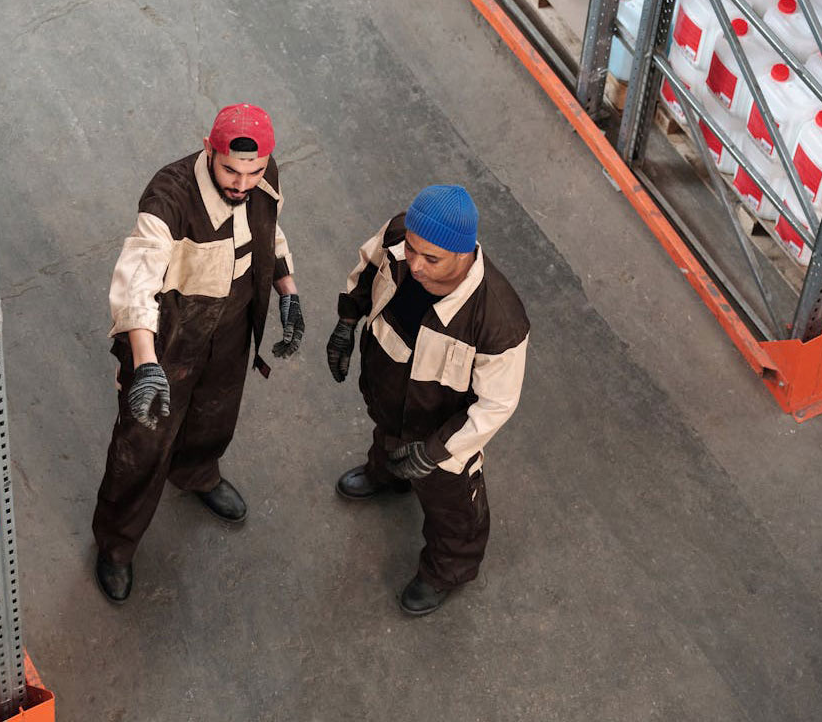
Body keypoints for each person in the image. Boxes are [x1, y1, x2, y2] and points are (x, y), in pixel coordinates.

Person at [92, 103, 304, 603]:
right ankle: (117, 546)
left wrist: (287, 290)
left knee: (215, 411)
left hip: (231, 324)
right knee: (142, 443)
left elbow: (269, 232)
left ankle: (197, 472)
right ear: (210, 150)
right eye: (231, 169)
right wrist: (145, 364)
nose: (242, 182)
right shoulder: (169, 200)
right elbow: (136, 283)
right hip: (170, 337)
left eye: (252, 172)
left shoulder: (262, 177)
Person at [326, 184, 528, 615]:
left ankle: (448, 570)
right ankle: (388, 477)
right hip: (388, 393)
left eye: (430, 258)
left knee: (452, 507)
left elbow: (495, 405)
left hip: (443, 434)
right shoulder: (404, 233)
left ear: (464, 253)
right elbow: (368, 267)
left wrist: (437, 451)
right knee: (387, 440)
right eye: (412, 250)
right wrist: (347, 321)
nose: (414, 264)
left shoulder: (498, 320)